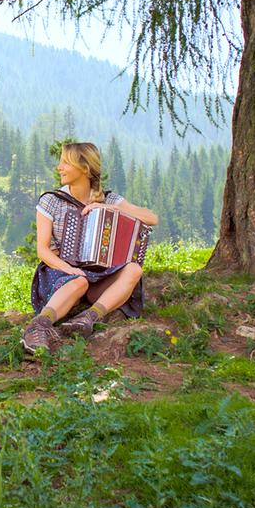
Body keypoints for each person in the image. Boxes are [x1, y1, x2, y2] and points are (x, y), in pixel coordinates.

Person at [22, 141, 159, 355]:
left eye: (65, 163)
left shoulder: (108, 198)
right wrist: (70, 269)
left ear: (84, 169)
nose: (59, 168)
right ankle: (37, 326)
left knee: (134, 270)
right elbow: (43, 250)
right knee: (79, 281)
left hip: (99, 275)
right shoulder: (51, 201)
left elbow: (151, 218)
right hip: (60, 272)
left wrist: (110, 208)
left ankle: (88, 318)